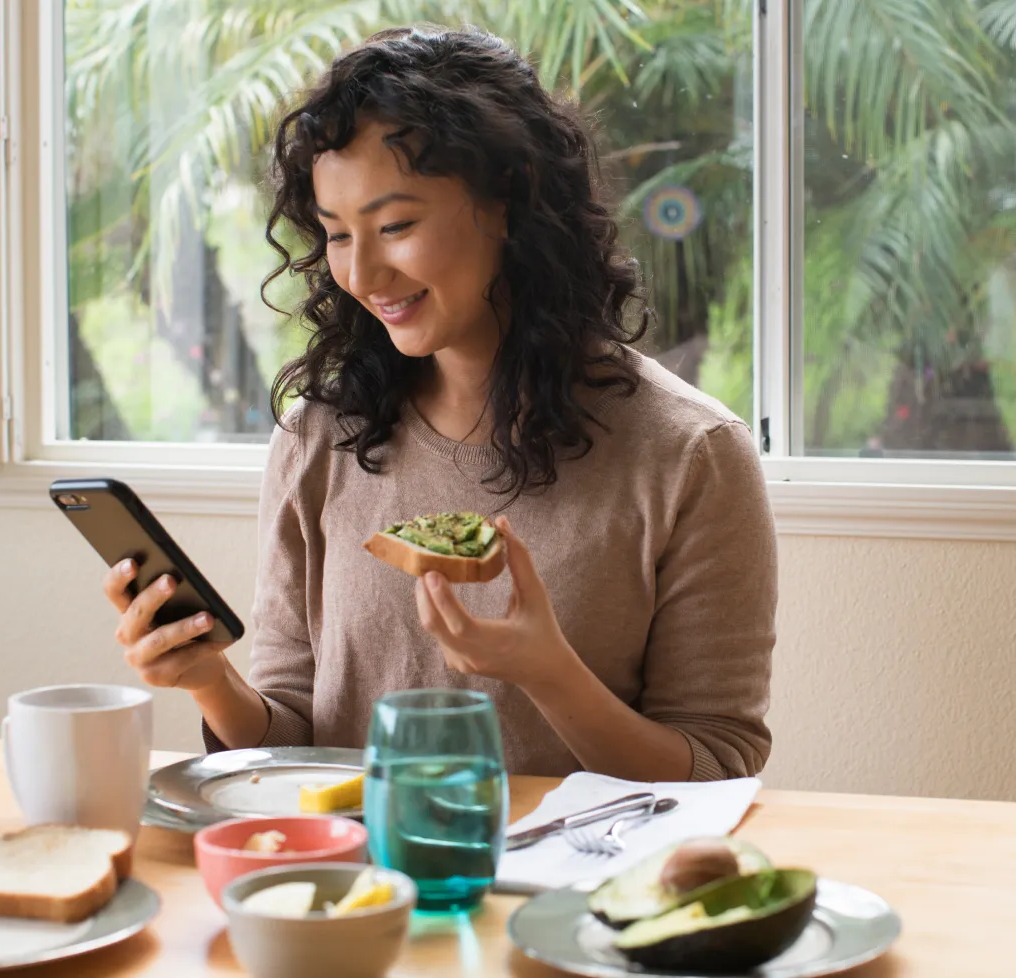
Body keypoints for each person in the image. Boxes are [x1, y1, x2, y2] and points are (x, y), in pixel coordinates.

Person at [103, 25, 777, 782]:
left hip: (571, 891)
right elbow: (296, 736)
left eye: (396, 226)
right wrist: (208, 680)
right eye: (335, 234)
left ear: (508, 203)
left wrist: (550, 673)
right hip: (360, 890)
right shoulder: (319, 438)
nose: (362, 273)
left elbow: (719, 763)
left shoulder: (691, 454)